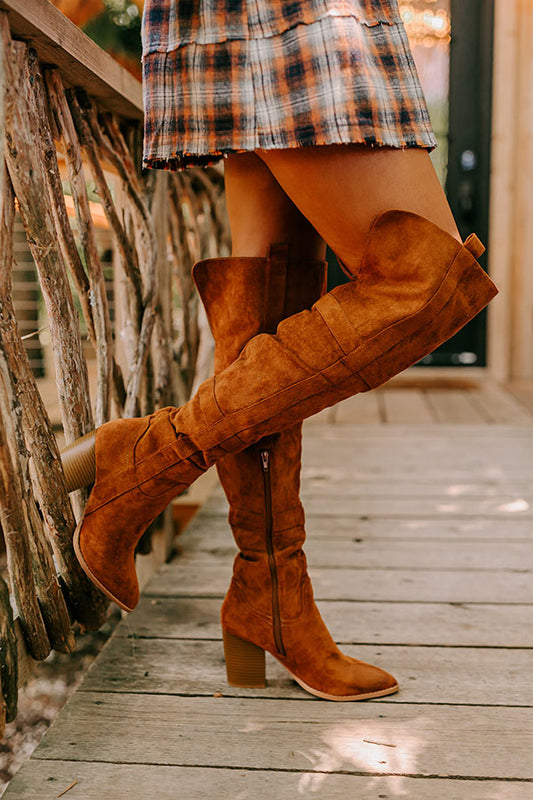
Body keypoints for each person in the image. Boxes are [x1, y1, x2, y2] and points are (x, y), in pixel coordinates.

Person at [61, 0, 497, 701]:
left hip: (252, 19)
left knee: (266, 310)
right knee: (426, 283)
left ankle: (267, 591)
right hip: (297, 15)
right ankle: (149, 459)